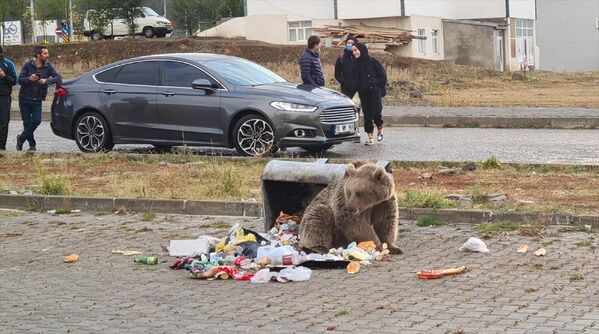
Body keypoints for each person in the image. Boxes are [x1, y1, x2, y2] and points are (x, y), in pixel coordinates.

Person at [17, 45, 62, 151]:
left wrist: (46, 81)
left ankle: (21, 138)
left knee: (37, 121)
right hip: (24, 98)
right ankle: (32, 145)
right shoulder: (28, 65)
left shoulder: (48, 66)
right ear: (38, 55)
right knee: (27, 122)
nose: (47, 55)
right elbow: (20, 80)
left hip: (38, 99)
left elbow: (58, 78)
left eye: (47, 53)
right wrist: (29, 79)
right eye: (45, 53)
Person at [352, 43, 387, 146]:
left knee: (376, 113)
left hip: (375, 92)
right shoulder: (356, 64)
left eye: (356, 50)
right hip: (363, 93)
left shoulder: (372, 61)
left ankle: (380, 127)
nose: (354, 53)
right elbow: (354, 79)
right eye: (353, 51)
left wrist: (376, 84)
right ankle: (370, 137)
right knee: (367, 115)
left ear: (362, 50)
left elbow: (383, 76)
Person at [0, 46, 17, 151]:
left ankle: (2, 147)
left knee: (3, 122)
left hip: (4, 97)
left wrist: (3, 76)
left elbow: (15, 81)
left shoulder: (8, 63)